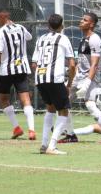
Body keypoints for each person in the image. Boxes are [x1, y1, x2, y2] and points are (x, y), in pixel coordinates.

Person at [0, 9, 36, 140]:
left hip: (6, 71)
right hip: (22, 69)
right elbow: (29, 37)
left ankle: (17, 128)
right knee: (26, 100)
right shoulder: (21, 28)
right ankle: (32, 130)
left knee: (3, 100)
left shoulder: (1, 32)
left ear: (3, 17)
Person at [63, 12, 101, 143]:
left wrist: (87, 83)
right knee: (64, 102)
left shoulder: (95, 39)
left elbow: (95, 64)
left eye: (84, 20)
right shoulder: (83, 38)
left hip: (90, 78)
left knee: (90, 105)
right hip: (79, 76)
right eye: (81, 19)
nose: (81, 21)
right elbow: (81, 61)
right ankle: (70, 134)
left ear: (91, 24)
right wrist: (72, 77)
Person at [32, 14, 76, 155]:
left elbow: (34, 63)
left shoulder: (41, 39)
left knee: (50, 109)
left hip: (40, 78)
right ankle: (52, 145)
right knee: (63, 111)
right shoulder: (63, 38)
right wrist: (69, 83)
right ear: (62, 26)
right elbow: (72, 64)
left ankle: (44, 144)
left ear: (48, 25)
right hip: (55, 79)